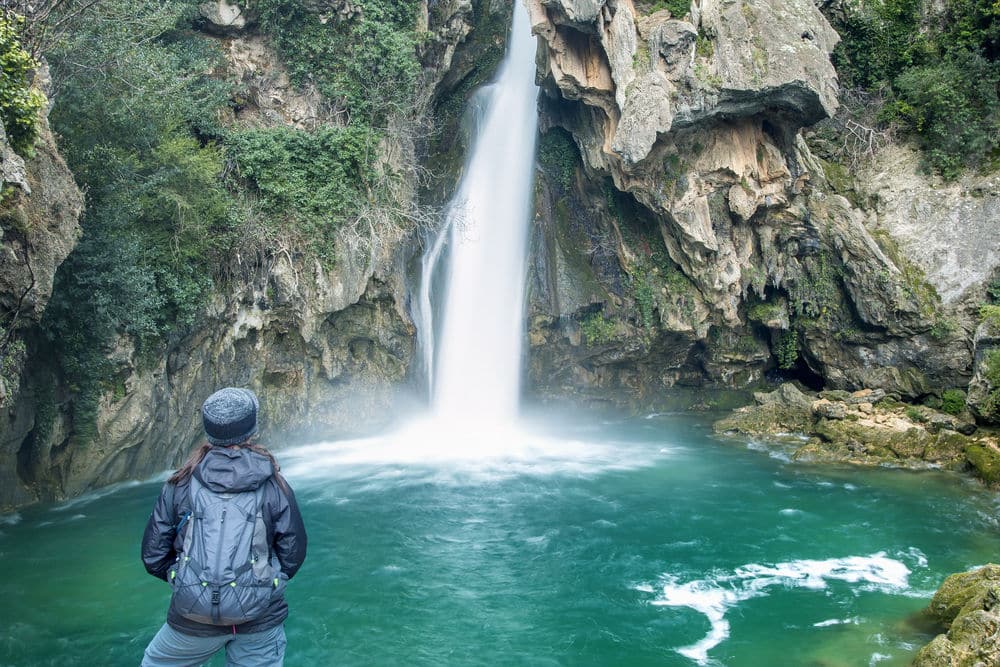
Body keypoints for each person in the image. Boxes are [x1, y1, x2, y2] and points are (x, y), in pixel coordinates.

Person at [140, 387, 307, 666]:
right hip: (259, 619)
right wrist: (265, 583)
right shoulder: (275, 486)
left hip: (191, 617)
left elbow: (153, 556)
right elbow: (293, 554)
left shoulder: (179, 485)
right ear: (251, 431)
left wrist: (185, 579)